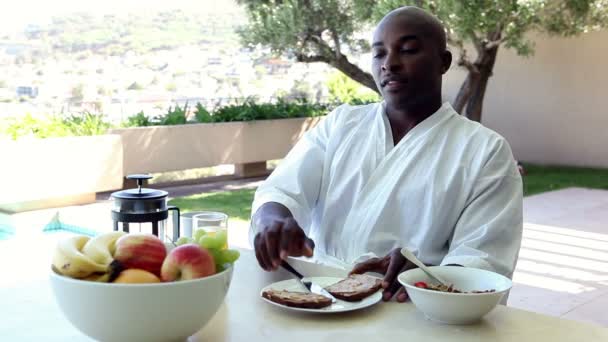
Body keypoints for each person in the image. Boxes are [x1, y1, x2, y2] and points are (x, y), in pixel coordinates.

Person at [249, 6, 523, 303]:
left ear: (443, 62)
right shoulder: (341, 124)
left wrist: (422, 274)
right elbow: (280, 191)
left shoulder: (485, 151)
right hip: (321, 301)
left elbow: (483, 258)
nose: (389, 63)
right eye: (379, 53)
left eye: (407, 50)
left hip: (414, 313)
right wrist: (273, 219)